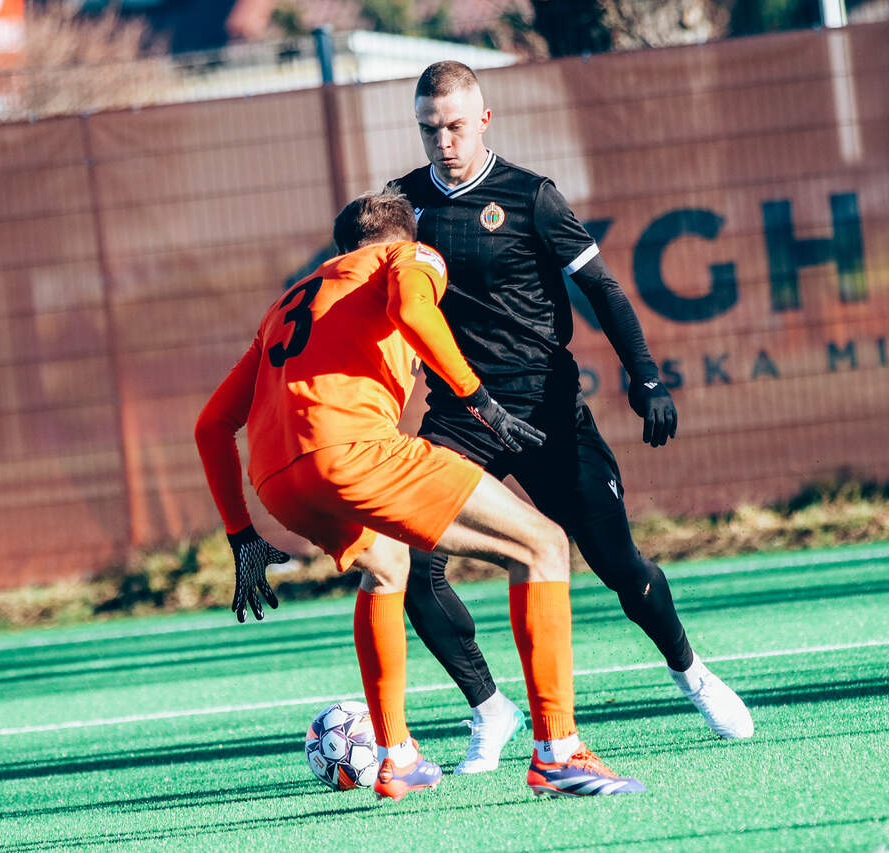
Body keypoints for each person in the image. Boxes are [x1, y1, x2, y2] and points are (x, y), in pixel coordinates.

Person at [194, 188, 645, 800]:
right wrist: (478, 399)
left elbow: (211, 426)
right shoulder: (408, 255)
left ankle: (396, 755)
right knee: (542, 544)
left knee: (387, 565)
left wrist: (241, 534)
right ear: (404, 236)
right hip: (353, 451)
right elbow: (411, 307)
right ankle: (558, 754)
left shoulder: (286, 302)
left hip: (278, 482)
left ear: (340, 249)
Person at [389, 61, 755, 774]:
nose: (444, 142)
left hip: (544, 410)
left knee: (617, 564)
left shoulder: (531, 197)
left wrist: (646, 376)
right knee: (411, 560)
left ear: (484, 120)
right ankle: (490, 710)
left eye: (456, 126)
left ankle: (691, 672)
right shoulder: (404, 207)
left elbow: (605, 290)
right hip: (461, 416)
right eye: (430, 129)